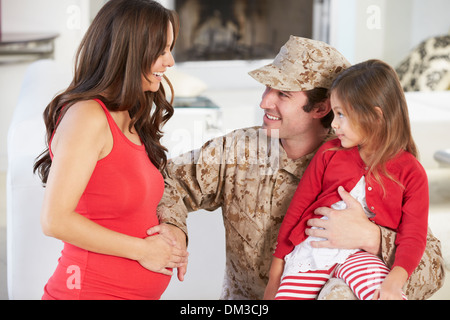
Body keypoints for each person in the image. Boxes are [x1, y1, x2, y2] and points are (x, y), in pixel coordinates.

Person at [154, 36, 445, 300]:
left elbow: (433, 267)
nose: (264, 101)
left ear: (322, 108)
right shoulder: (238, 150)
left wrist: (373, 238)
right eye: (268, 87)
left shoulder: (371, 161)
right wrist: (174, 228)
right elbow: (165, 181)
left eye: (283, 94)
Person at [33, 0, 188, 300]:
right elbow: (55, 220)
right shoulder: (88, 116)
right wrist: (144, 251)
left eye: (170, 48)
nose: (169, 61)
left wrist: (172, 237)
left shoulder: (130, 116)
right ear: (130, 51)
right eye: (161, 50)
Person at [265, 59, 427, 300]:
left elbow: (413, 236)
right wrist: (275, 276)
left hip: (361, 257)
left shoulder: (411, 172)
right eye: (334, 113)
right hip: (314, 253)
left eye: (341, 114)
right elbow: (297, 210)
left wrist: (394, 282)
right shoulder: (329, 153)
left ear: (375, 116)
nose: (334, 124)